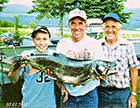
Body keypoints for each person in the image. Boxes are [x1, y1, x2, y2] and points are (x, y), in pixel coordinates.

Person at [8, 26, 68, 107]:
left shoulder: (54, 56)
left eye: (44, 39)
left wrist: (62, 87)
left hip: (49, 104)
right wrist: (18, 68)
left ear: (49, 39)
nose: (41, 43)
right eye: (38, 39)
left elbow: (56, 77)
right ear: (33, 40)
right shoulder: (26, 55)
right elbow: (13, 80)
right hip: (29, 104)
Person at [56, 8, 99, 107]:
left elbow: (99, 69)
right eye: (73, 23)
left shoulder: (95, 44)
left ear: (85, 25)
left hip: (89, 96)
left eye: (80, 23)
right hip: (67, 95)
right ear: (69, 25)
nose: (76, 27)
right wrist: (61, 86)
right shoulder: (62, 45)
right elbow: (57, 72)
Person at [97, 13, 139, 108]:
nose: (110, 30)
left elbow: (134, 70)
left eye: (113, 27)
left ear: (119, 28)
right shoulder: (97, 45)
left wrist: (133, 94)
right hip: (101, 92)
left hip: (121, 94)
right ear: (103, 28)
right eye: (107, 26)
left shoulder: (128, 45)